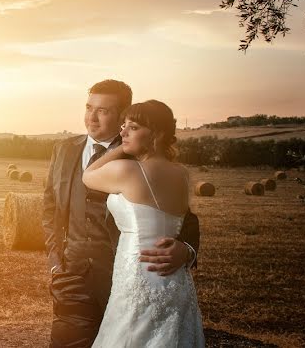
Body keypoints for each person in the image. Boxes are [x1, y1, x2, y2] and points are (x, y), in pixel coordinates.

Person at [42, 80, 199, 347]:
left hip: (127, 275)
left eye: (103, 111)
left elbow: (184, 216)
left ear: (122, 114)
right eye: (89, 107)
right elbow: (50, 207)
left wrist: (186, 250)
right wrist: (56, 260)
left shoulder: (141, 153)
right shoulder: (64, 149)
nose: (92, 117)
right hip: (72, 274)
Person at [83, 99, 204, 347]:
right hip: (174, 279)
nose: (123, 132)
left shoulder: (127, 171)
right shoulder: (181, 174)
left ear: (156, 135)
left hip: (137, 275)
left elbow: (88, 175)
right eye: (123, 125)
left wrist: (119, 149)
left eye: (133, 127)